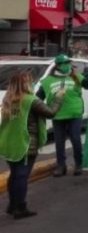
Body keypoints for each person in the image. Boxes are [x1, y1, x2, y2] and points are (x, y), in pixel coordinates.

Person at [0, 71, 65, 219]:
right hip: (25, 144)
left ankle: (12, 205)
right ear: (25, 84)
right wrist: (58, 97)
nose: (32, 83)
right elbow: (50, 112)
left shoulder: (9, 99)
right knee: (22, 176)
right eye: (30, 81)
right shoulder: (30, 100)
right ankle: (20, 208)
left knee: (15, 174)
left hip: (10, 144)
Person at [37, 54, 84, 177]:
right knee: (59, 141)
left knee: (75, 139)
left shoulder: (76, 77)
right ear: (57, 66)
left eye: (68, 62)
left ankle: (79, 164)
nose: (66, 65)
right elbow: (38, 98)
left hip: (75, 113)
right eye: (64, 63)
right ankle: (61, 166)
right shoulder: (47, 81)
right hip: (57, 115)